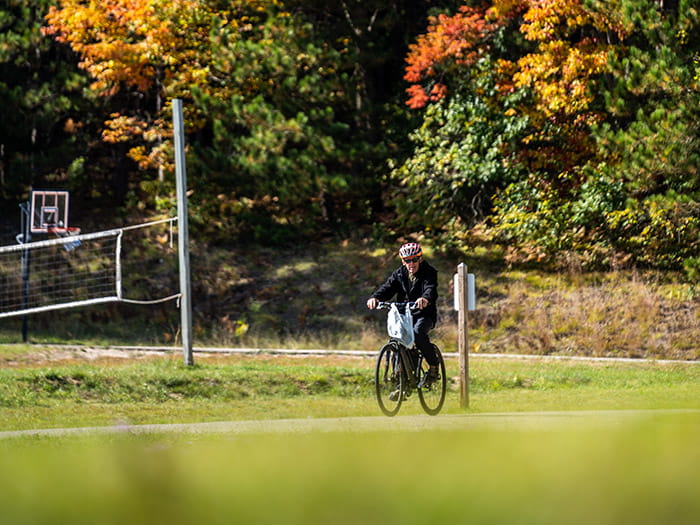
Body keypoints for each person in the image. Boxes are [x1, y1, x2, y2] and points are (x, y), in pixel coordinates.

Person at [367, 242, 440, 385]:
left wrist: (424, 299)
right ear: (403, 261)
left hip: (424, 314)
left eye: (414, 260)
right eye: (407, 260)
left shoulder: (429, 272)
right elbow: (387, 288)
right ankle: (402, 379)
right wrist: (375, 297)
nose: (411, 264)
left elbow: (430, 288)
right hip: (405, 315)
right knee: (398, 338)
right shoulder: (399, 274)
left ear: (420, 259)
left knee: (418, 333)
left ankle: (433, 366)